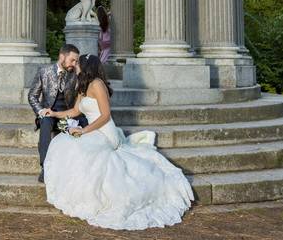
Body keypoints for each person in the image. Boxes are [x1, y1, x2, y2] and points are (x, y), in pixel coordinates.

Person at [40, 54, 193, 230]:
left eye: (78, 63)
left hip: (105, 132)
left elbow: (105, 116)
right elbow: (75, 111)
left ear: (86, 66)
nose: (76, 66)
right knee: (63, 142)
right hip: (93, 130)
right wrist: (53, 113)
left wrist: (83, 131)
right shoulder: (83, 85)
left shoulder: (97, 84)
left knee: (79, 147)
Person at [27, 44, 88, 183]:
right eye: (72, 60)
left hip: (68, 114)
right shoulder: (44, 71)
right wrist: (41, 111)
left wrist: (79, 74)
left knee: (83, 124)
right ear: (62, 57)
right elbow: (32, 96)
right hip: (48, 113)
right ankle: (45, 167)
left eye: (76, 61)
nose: (74, 64)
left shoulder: (75, 74)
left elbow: (82, 95)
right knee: (46, 123)